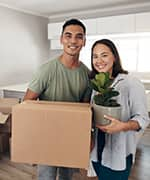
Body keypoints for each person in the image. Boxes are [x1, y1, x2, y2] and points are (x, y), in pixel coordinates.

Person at [23, 18, 91, 180]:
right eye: (68, 35)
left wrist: (86, 137)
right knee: (46, 176)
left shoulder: (88, 75)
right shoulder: (46, 70)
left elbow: (85, 110)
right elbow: (27, 103)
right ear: (61, 39)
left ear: (84, 41)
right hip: (47, 136)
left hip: (71, 136)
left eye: (79, 36)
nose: (73, 41)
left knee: (67, 176)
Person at [90, 39, 150, 180]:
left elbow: (143, 118)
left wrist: (123, 126)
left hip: (118, 154)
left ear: (114, 57)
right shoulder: (95, 84)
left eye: (104, 55)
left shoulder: (130, 83)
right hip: (96, 151)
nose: (99, 60)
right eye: (95, 56)